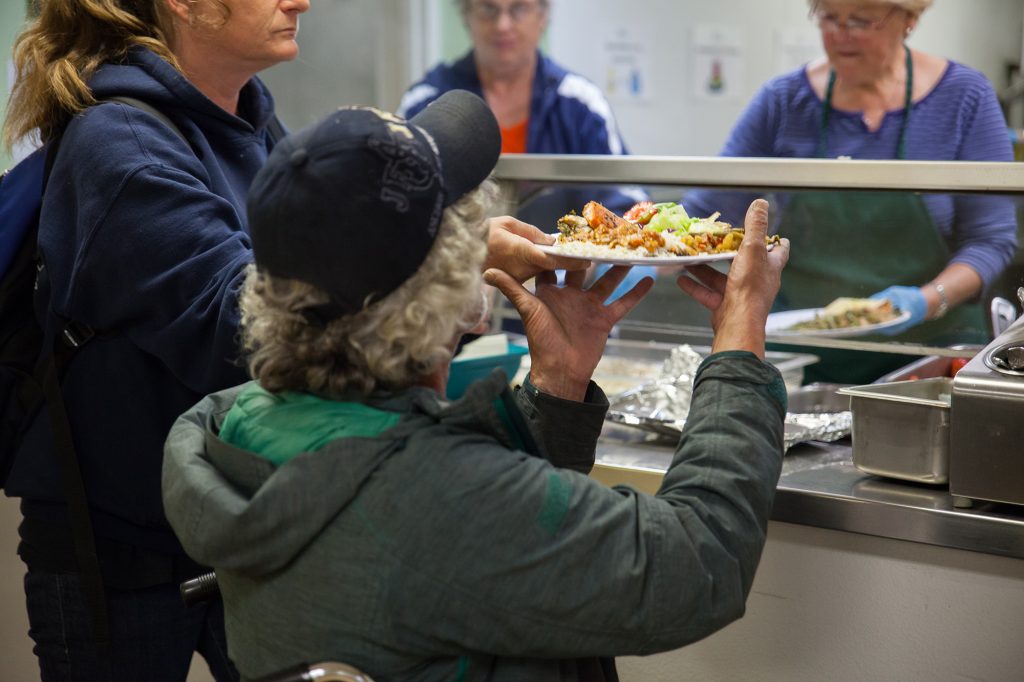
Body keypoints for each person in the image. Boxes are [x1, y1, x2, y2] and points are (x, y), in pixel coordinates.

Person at [161, 90, 793, 681]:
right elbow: (700, 565)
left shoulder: (236, 425)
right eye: (462, 235)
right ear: (443, 293)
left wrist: (557, 383)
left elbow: (476, 558)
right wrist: (739, 344)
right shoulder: (433, 495)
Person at [1, 0, 309, 679]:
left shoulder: (251, 122)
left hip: (234, 527)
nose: (300, 0)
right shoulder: (120, 142)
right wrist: (431, 268)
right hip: (116, 553)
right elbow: (244, 329)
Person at [685, 0, 1018, 383]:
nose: (839, 34)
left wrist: (926, 300)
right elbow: (707, 212)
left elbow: (991, 240)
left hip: (931, 354)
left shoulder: (964, 98)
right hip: (802, 353)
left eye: (860, 20)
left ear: (909, 19)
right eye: (828, 17)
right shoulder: (783, 101)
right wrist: (640, 249)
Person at [398, 0, 653, 299]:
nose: (503, 24)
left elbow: (625, 211)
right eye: (488, 9)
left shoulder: (579, 105)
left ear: (543, 15)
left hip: (560, 303)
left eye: (518, 8)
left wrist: (588, 267)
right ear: (466, 14)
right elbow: (399, 217)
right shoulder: (425, 103)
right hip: (449, 309)